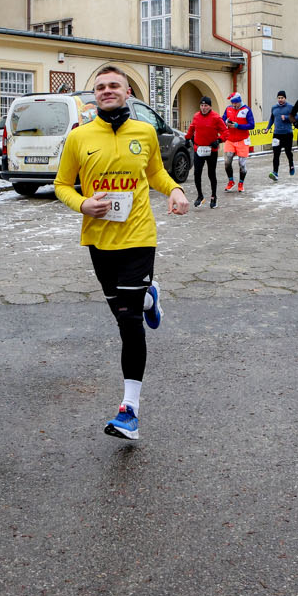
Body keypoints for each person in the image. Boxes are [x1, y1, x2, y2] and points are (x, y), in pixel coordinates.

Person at [54, 66, 190, 440]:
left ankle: (129, 410)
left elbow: (156, 174)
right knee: (123, 314)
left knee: (129, 325)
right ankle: (149, 298)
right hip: (99, 240)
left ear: (127, 92)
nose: (107, 90)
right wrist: (83, 204)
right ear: (94, 95)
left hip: (139, 237)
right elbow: (62, 184)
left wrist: (175, 190)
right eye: (100, 87)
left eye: (114, 85)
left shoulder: (144, 132)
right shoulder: (79, 137)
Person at [184, 95, 226, 207]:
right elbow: (192, 128)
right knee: (197, 173)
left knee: (211, 174)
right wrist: (187, 138)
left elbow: (225, 132)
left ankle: (213, 197)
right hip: (199, 149)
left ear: (210, 106)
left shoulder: (216, 117)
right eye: (202, 105)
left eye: (206, 105)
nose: (203, 108)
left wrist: (219, 140)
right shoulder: (196, 116)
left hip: (211, 150)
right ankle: (200, 196)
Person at [221, 92, 255, 193]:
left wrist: (237, 126)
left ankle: (241, 183)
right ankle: (231, 181)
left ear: (240, 101)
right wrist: (225, 123)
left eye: (235, 103)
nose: (234, 105)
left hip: (242, 140)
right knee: (227, 162)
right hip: (230, 140)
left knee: (242, 164)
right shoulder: (228, 109)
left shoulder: (246, 110)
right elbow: (222, 120)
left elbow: (252, 125)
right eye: (232, 103)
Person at [267, 90, 296, 180]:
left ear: (285, 98)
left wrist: (286, 117)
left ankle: (291, 165)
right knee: (276, 154)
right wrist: (268, 128)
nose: (280, 99)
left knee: (288, 152)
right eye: (279, 98)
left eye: (282, 98)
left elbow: (296, 117)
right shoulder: (274, 108)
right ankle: (275, 172)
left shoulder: (290, 107)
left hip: (287, 134)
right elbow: (272, 118)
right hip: (276, 134)